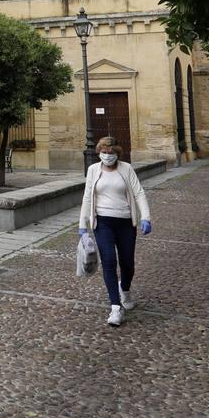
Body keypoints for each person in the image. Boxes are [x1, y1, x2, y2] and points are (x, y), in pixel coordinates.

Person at [78, 137, 152, 327]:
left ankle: (124, 290)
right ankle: (116, 307)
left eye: (111, 153)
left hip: (126, 222)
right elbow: (87, 197)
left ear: (117, 154)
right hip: (102, 223)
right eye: (104, 152)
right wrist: (83, 225)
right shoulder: (93, 170)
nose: (107, 156)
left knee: (127, 263)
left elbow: (139, 193)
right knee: (109, 262)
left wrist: (145, 217)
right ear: (99, 152)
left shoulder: (126, 169)